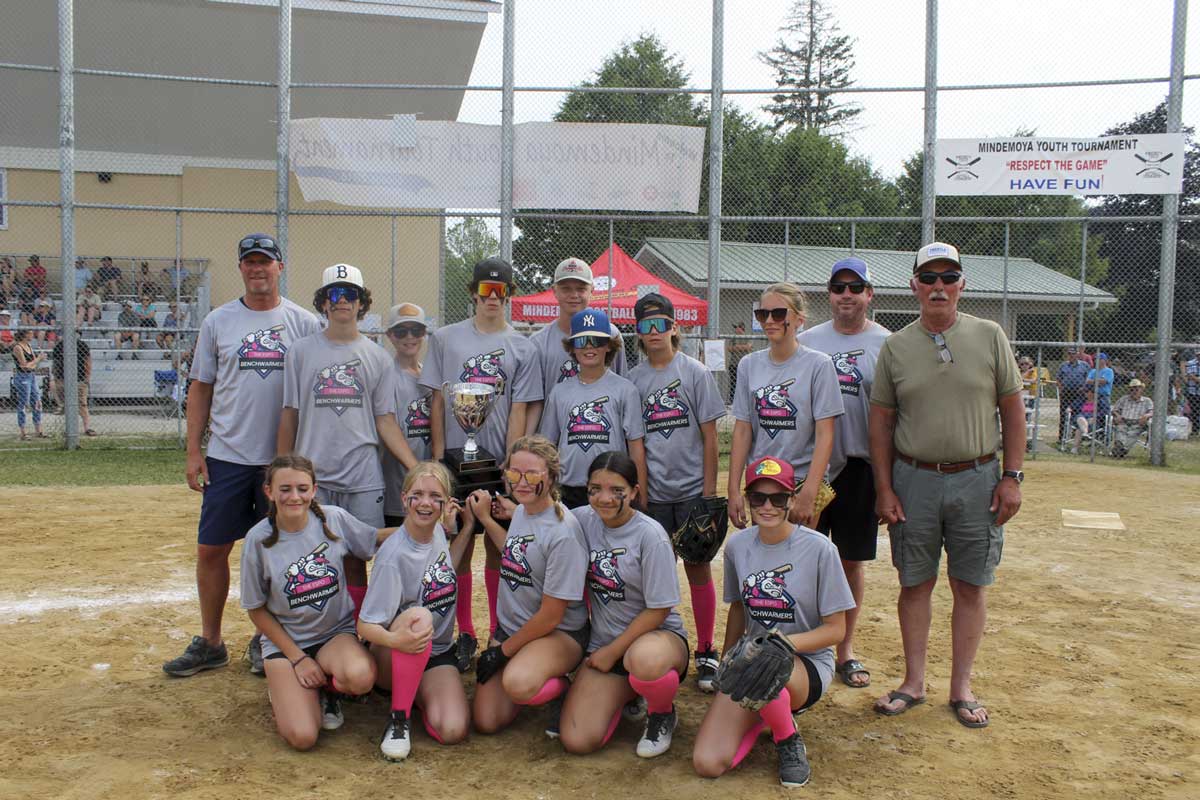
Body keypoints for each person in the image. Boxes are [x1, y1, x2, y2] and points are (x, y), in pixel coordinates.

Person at [869, 241, 1024, 729]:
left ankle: (961, 687)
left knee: (970, 584)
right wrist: (884, 488)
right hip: (913, 479)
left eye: (948, 277)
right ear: (914, 285)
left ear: (962, 284)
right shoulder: (896, 346)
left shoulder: (989, 335)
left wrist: (1012, 477)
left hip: (978, 478)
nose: (939, 287)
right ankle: (913, 682)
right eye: (929, 278)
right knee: (915, 582)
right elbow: (880, 426)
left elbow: (1013, 410)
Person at [163, 233, 321, 678]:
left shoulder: (303, 323)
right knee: (212, 549)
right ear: (240, 269)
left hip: (283, 462)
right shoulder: (219, 321)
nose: (257, 269)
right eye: (249, 262)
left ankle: (266, 639)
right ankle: (211, 641)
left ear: (279, 267)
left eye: (265, 262)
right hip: (229, 455)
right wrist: (194, 450)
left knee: (277, 552)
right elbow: (201, 387)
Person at [692, 455, 855, 788]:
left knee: (766, 657)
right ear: (748, 499)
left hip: (805, 664)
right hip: (752, 662)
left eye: (778, 498)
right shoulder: (738, 546)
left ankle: (787, 738)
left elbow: (836, 630)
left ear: (792, 500)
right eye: (758, 497)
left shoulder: (820, 549)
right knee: (707, 762)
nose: (767, 506)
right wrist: (726, 662)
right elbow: (739, 609)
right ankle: (764, 714)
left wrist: (784, 643)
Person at [277, 264, 420, 618]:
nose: (343, 301)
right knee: (309, 556)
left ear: (361, 303)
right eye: (335, 294)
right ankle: (312, 626)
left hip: (361, 475)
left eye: (350, 294)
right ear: (324, 303)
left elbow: (384, 421)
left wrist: (417, 468)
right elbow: (290, 414)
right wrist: (280, 471)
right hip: (314, 475)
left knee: (357, 557)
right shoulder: (300, 351)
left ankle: (357, 627)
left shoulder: (377, 358)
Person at [420, 257, 542, 664]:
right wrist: (439, 458)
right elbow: (438, 399)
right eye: (486, 290)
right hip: (455, 459)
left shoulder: (521, 345)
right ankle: (465, 633)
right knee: (457, 543)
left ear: (509, 295)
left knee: (495, 545)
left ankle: (495, 629)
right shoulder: (445, 338)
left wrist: (512, 466)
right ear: (473, 293)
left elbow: (521, 409)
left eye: (502, 291)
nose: (494, 298)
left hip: (495, 464)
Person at [240, 454, 395, 751]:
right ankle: (287, 687)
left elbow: (373, 539)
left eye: (302, 488)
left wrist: (422, 526)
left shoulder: (332, 519)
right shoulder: (257, 540)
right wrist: (298, 658)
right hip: (287, 644)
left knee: (361, 678)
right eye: (285, 489)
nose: (294, 496)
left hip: (332, 635)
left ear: (314, 490)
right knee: (303, 737)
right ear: (269, 492)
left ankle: (327, 689)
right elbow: (255, 609)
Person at [797, 256, 890, 691]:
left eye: (856, 288)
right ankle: (803, 643)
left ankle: (845, 650)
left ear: (870, 294)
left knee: (850, 561)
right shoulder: (808, 341)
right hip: (813, 466)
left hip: (858, 466)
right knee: (804, 556)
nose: (847, 295)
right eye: (839, 288)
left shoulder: (887, 344)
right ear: (829, 295)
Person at [559, 452, 690, 758]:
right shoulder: (580, 520)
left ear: (633, 492)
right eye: (595, 488)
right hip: (605, 644)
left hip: (657, 641)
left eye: (616, 490)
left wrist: (613, 651)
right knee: (577, 740)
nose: (604, 498)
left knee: (644, 661)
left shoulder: (651, 535)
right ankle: (631, 692)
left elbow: (658, 611)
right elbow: (545, 521)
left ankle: (662, 712)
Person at [627, 292, 725, 692]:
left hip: (689, 492)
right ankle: (654, 642)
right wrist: (641, 494)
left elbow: (710, 438)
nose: (654, 332)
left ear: (674, 328)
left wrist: (707, 493)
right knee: (653, 573)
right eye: (646, 325)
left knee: (697, 566)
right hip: (653, 493)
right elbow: (635, 440)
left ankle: (705, 649)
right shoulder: (634, 379)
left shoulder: (694, 373)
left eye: (660, 324)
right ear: (637, 332)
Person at [465, 435, 589, 740]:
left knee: (518, 682)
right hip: (517, 629)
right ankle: (530, 672)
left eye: (532, 474)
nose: (521, 482)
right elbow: (517, 554)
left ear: (552, 476)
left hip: (558, 634)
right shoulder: (522, 511)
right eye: (514, 473)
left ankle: (563, 688)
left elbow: (551, 617)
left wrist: (502, 652)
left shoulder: (562, 533)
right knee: (486, 720)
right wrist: (484, 519)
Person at [358, 462, 472, 760]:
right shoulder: (393, 556)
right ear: (404, 497)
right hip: (393, 654)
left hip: (435, 653)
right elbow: (366, 626)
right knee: (419, 617)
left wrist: (468, 527)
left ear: (446, 504)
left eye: (435, 496)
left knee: (453, 730)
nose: (425, 502)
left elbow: (445, 568)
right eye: (417, 494)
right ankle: (399, 718)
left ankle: (420, 690)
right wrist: (399, 643)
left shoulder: (436, 532)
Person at [728, 282, 844, 530]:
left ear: (799, 319)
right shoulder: (749, 365)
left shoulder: (819, 365)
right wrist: (733, 491)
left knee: (801, 558)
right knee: (765, 556)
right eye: (762, 314)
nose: (769, 320)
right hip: (761, 479)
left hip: (800, 480)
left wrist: (810, 492)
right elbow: (742, 430)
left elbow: (826, 434)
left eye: (778, 313)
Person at [538, 308, 646, 509]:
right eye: (581, 341)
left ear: (608, 346)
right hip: (569, 487)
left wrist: (639, 493)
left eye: (597, 341)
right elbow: (547, 446)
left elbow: (635, 445)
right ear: (572, 347)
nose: (589, 347)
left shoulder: (625, 389)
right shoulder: (559, 391)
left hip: (612, 487)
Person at [526, 257, 626, 433]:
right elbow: (535, 401)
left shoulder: (610, 335)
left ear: (592, 291)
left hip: (602, 431)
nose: (574, 295)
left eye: (581, 289)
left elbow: (622, 388)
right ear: (554, 291)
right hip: (556, 437)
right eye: (566, 289)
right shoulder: (538, 343)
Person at [381, 303, 433, 527]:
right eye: (402, 331)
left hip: (430, 484)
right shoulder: (387, 377)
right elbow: (388, 425)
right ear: (390, 336)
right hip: (399, 486)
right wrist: (417, 471)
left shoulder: (429, 375)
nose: (410, 337)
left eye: (417, 331)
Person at [51, 333, 96, 436]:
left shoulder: (81, 345)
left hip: (79, 378)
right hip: (63, 379)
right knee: (67, 405)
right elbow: (56, 364)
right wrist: (56, 378)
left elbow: (87, 361)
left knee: (82, 405)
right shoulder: (59, 346)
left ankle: (87, 428)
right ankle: (70, 429)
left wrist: (87, 376)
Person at [11, 328, 48, 440]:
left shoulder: (29, 347)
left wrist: (33, 363)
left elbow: (31, 366)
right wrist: (38, 359)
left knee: (37, 402)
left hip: (31, 376)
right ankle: (23, 432)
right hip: (22, 377)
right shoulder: (18, 347)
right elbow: (25, 365)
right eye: (30, 333)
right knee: (24, 403)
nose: (32, 335)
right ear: (25, 335)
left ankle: (38, 430)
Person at [1056, 346, 1090, 447]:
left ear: (1077, 354)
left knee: (1078, 414)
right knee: (1064, 414)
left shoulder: (1084, 366)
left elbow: (1088, 378)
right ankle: (1062, 437)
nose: (1071, 356)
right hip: (1066, 392)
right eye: (1069, 354)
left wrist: (1084, 388)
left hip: (1079, 393)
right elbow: (1058, 379)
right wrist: (1061, 388)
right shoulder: (1063, 365)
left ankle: (1076, 436)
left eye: (1073, 354)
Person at [1110, 379, 1153, 458]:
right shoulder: (1124, 399)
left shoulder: (1147, 401)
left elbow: (1152, 412)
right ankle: (1120, 447)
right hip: (1123, 421)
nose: (1134, 391)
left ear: (1141, 389)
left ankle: (1122, 449)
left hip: (1138, 423)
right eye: (1132, 389)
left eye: (1136, 389)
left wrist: (1146, 416)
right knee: (1120, 429)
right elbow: (1114, 410)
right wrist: (1117, 415)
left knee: (1133, 433)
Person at [1069, 389, 1101, 455]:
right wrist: (1069, 409)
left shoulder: (1100, 402)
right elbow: (1071, 407)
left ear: (1094, 393)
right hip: (1080, 420)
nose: (1086, 393)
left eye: (1088, 391)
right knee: (1080, 418)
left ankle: (1075, 448)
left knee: (1079, 429)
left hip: (1093, 422)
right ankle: (1085, 433)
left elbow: (1104, 413)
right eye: (1085, 391)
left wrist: (1096, 417)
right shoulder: (1081, 401)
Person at [727, 321, 752, 403]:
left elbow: (748, 347)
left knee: (744, 383)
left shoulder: (747, 337)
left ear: (742, 328)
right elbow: (729, 348)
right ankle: (732, 401)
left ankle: (744, 401)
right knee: (733, 383)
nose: (735, 329)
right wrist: (741, 347)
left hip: (744, 364)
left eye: (737, 327)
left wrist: (737, 347)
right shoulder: (733, 337)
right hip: (734, 363)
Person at [1086, 352, 1114, 419]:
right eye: (1095, 359)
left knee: (1103, 415)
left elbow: (1104, 381)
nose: (1096, 361)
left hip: (1103, 397)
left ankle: (1103, 427)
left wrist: (1093, 381)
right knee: (1087, 413)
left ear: (1104, 360)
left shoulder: (1109, 371)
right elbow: (1087, 381)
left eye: (1099, 359)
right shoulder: (1093, 371)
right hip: (1091, 396)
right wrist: (1098, 381)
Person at [1182, 351, 1200, 438]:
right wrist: (1196, 378)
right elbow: (1190, 376)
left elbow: (1193, 377)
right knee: (1195, 411)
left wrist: (1195, 378)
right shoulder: (1191, 363)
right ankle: (1195, 431)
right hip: (1193, 392)